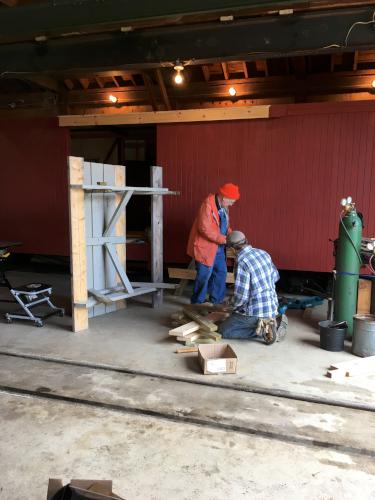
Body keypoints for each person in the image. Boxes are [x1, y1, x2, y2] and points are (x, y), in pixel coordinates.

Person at [219, 230, 287, 343]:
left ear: (231, 249)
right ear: (246, 241)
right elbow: (275, 277)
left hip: (253, 313)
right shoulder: (263, 253)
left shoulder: (241, 262)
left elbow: (241, 297)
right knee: (234, 317)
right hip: (272, 307)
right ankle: (271, 321)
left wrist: (230, 304)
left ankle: (262, 330)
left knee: (223, 330)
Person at [187, 183, 240, 304]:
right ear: (224, 197)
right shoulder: (207, 206)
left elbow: (226, 227)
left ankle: (216, 302)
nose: (232, 203)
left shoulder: (224, 207)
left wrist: (232, 236)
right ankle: (197, 304)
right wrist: (224, 240)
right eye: (232, 201)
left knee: (221, 274)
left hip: (219, 248)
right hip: (205, 248)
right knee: (204, 277)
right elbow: (204, 229)